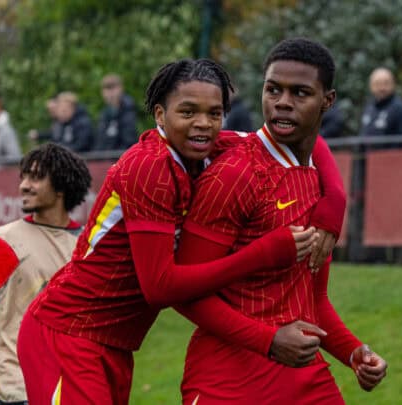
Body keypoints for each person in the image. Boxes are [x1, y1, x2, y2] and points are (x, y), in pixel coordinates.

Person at [17, 58, 343, 404]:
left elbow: (302, 135)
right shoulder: (150, 167)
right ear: (160, 115)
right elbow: (159, 288)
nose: (202, 124)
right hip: (68, 332)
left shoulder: (209, 146)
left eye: (214, 114)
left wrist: (333, 207)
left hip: (115, 342)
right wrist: (263, 254)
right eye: (187, 112)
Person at [178, 38, 388, 404]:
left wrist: (353, 353)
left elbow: (312, 299)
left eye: (300, 92)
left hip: (305, 377)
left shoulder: (317, 180)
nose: (282, 102)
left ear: (328, 100)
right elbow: (184, 291)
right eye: (273, 89)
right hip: (227, 382)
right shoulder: (235, 173)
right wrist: (269, 340)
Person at [0, 143, 92, 405]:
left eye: (36, 177)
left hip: (68, 382)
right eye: (24, 177)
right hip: (15, 383)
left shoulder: (86, 247)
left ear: (61, 187)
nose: (24, 186)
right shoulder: (2, 240)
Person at [360, 67, 402, 136]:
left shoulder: (400, 108)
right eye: (377, 84)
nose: (382, 88)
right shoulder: (369, 107)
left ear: (393, 84)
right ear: (371, 86)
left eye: (386, 83)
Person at [95, 74, 138, 151]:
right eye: (107, 89)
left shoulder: (128, 110)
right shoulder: (104, 114)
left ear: (120, 89)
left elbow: (129, 140)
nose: (110, 93)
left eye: (112, 88)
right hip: (105, 159)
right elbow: (100, 141)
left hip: (121, 157)